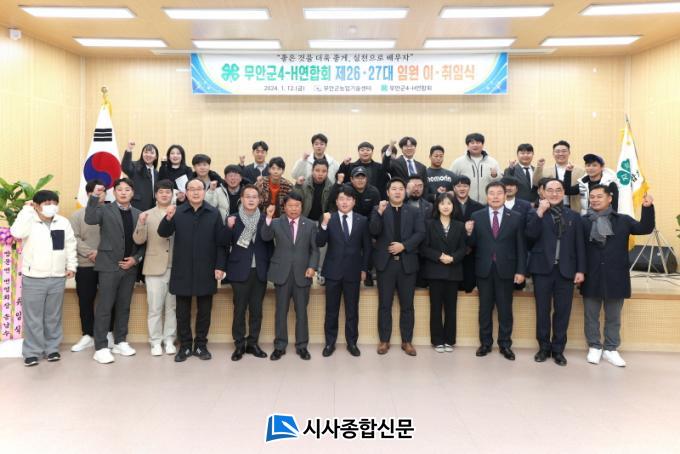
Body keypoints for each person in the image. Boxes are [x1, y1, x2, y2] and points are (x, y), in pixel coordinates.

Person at [581, 186, 655, 367]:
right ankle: (594, 346)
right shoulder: (583, 221)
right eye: (592, 197)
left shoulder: (623, 220)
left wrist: (647, 208)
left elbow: (645, 228)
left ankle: (611, 349)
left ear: (609, 199)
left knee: (613, 316)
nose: (595, 200)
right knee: (591, 315)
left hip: (616, 275)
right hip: (591, 275)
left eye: (599, 196)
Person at [158, 178, 226, 362]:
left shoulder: (213, 213)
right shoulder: (178, 211)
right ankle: (186, 346)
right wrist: (168, 217)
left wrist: (220, 266)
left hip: (206, 269)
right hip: (183, 268)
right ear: (186, 192)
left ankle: (201, 345)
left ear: (204, 191)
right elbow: (163, 232)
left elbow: (221, 243)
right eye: (191, 189)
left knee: (204, 311)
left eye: (199, 189)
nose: (195, 192)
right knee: (182, 312)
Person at [11, 190, 77, 366]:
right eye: (47, 203)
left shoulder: (63, 222)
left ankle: (52, 349)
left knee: (53, 316)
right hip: (34, 277)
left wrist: (71, 266)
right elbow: (16, 232)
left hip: (57, 277)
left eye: (54, 203)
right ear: (37, 205)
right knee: (33, 317)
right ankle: (32, 352)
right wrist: (26, 211)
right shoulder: (29, 220)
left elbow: (70, 245)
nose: (51, 206)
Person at [85, 179, 146, 364]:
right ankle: (101, 347)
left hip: (129, 267)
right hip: (108, 266)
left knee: (123, 306)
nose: (123, 192)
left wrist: (135, 259)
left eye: (127, 189)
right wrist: (95, 196)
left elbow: (144, 241)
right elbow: (90, 219)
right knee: (104, 307)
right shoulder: (104, 209)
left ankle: (120, 341)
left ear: (132, 193)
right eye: (119, 189)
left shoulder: (139, 214)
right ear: (114, 193)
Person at [525, 179, 586, 366]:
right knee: (542, 311)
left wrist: (581, 270)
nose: (554, 193)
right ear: (542, 192)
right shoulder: (534, 213)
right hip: (542, 269)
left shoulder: (574, 216)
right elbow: (529, 236)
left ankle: (558, 349)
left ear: (563, 192)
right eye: (550, 190)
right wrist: (540, 213)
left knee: (563, 312)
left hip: (566, 270)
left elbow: (580, 245)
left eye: (558, 190)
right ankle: (544, 347)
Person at [465, 181, 526, 360]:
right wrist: (468, 233)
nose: (495, 196)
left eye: (499, 193)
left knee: (505, 309)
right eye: (492, 193)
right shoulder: (476, 216)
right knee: (485, 309)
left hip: (507, 269)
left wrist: (521, 271)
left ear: (505, 196)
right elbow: (471, 245)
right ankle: (485, 343)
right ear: (487, 196)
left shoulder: (515, 217)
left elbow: (521, 247)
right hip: (483, 269)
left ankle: (505, 344)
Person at [370, 178, 425, 356]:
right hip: (385, 264)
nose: (397, 192)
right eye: (393, 189)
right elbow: (373, 231)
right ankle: (384, 341)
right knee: (384, 304)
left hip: (407, 263)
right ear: (387, 192)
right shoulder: (378, 209)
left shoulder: (414, 211)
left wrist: (404, 246)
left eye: (401, 188)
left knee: (407, 305)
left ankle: (407, 341)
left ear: (405, 192)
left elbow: (421, 233)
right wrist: (379, 212)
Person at [261, 192, 319, 361]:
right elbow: (265, 236)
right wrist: (268, 217)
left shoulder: (310, 224)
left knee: (301, 313)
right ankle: (280, 346)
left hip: (303, 274)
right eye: (290, 206)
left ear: (302, 207)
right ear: (284, 207)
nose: (294, 209)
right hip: (282, 273)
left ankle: (302, 346)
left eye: (297, 206)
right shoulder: (276, 223)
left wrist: (312, 267)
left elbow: (314, 250)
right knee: (281, 312)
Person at [316, 186, 371, 357]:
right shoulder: (329, 219)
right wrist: (324, 224)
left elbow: (367, 248)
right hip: (332, 272)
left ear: (354, 201)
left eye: (348, 199)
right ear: (336, 201)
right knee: (331, 311)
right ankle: (329, 343)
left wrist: (364, 269)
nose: (344, 202)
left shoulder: (362, 220)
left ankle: (352, 343)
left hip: (353, 272)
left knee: (352, 310)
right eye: (341, 199)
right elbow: (319, 242)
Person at [225, 185, 274, 361]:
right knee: (239, 310)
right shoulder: (233, 219)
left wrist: (270, 270)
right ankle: (239, 344)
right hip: (239, 270)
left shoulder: (265, 219)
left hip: (259, 271)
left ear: (259, 200)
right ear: (242, 199)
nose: (251, 200)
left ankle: (253, 343)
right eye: (248, 196)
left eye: (254, 197)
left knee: (256, 310)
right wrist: (228, 228)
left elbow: (270, 246)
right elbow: (223, 243)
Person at [69, 179, 114, 352]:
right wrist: (90, 253)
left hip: (108, 264)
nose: (100, 194)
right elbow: (73, 238)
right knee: (86, 300)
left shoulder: (113, 212)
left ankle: (108, 332)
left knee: (109, 300)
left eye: (103, 191)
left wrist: (102, 254)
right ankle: (87, 334)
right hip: (86, 264)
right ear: (88, 194)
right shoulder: (77, 215)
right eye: (96, 191)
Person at [132, 179, 177, 356]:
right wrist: (141, 223)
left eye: (168, 192)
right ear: (155, 195)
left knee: (172, 307)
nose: (164, 195)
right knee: (155, 308)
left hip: (176, 266)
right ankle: (155, 341)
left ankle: (169, 339)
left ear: (172, 194)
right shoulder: (147, 214)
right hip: (153, 267)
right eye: (161, 192)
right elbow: (138, 240)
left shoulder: (180, 212)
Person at [420, 193, 466, 353]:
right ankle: (437, 340)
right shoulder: (429, 224)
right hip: (435, 271)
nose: (446, 206)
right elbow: (423, 248)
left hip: (453, 271)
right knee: (436, 308)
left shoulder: (460, 225)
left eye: (449, 203)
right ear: (437, 206)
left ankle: (449, 340)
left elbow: (463, 248)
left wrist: (453, 258)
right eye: (442, 203)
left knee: (451, 309)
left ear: (454, 206)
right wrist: (439, 256)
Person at [452, 176, 485, 293]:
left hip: (471, 253)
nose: (462, 189)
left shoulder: (479, 207)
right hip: (452, 252)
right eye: (459, 186)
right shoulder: (447, 205)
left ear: (469, 187)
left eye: (465, 186)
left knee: (469, 286)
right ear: (454, 188)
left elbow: (481, 232)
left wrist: (469, 246)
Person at [532, 140, 585, 211]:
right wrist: (539, 167)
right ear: (553, 154)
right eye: (557, 151)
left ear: (569, 153)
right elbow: (536, 183)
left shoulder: (580, 171)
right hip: (550, 208)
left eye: (564, 151)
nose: (560, 154)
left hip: (573, 208)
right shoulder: (545, 170)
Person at [449, 132, 501, 203]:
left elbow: (499, 183)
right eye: (472, 143)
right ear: (467, 145)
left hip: (488, 202)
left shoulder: (492, 162)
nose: (475, 145)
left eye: (478, 142)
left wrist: (494, 176)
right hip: (464, 203)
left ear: (482, 145)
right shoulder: (458, 162)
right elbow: (450, 180)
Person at [121, 141, 159, 211]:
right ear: (142, 154)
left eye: (152, 153)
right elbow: (125, 167)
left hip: (152, 208)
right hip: (136, 207)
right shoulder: (135, 166)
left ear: (156, 157)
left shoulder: (156, 173)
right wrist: (129, 150)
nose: (148, 155)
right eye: (146, 152)